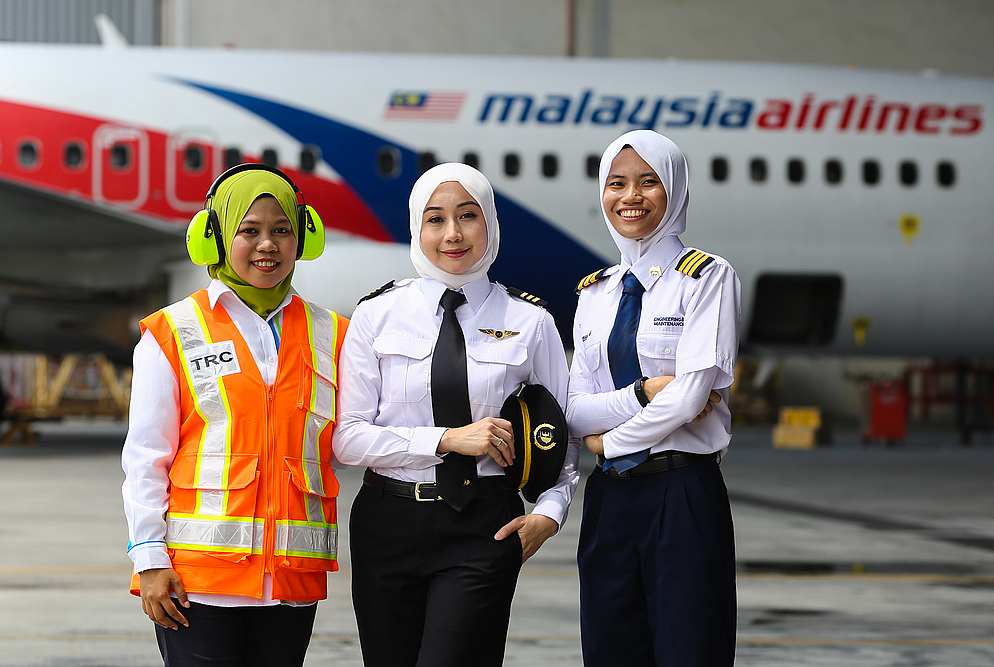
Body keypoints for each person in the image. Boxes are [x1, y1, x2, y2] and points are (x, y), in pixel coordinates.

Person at [334, 163, 579, 667]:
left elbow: (562, 434)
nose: (452, 234)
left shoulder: (530, 321)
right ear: (416, 227)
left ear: (490, 222)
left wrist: (550, 513)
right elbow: (349, 438)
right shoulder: (376, 314)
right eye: (435, 219)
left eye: (468, 216)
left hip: (483, 525)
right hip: (388, 522)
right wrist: (446, 439)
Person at [121, 164, 347, 667]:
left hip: (290, 584)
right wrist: (149, 558)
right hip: (198, 584)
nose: (267, 245)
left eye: (281, 230)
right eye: (249, 231)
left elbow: (357, 437)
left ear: (303, 237)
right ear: (215, 238)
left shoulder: (334, 333)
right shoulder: (172, 332)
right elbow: (146, 458)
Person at [568, 130, 741, 667]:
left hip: (681, 493)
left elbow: (689, 398)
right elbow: (575, 410)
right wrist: (643, 394)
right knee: (609, 651)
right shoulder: (594, 293)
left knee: (691, 651)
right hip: (610, 500)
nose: (630, 197)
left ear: (675, 190)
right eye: (616, 183)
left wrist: (609, 442)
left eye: (648, 182)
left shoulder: (706, 278)